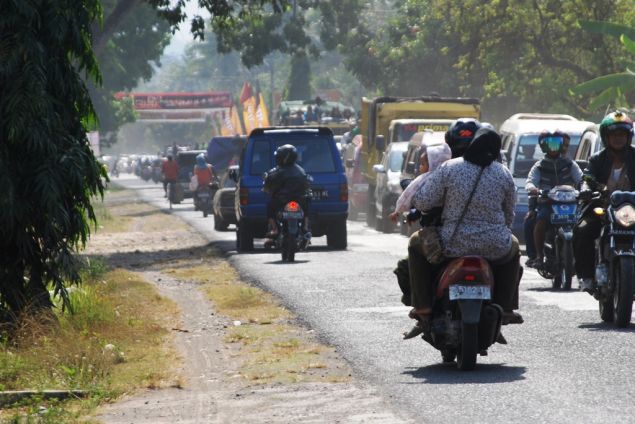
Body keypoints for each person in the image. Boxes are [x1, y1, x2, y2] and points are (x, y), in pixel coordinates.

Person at [405, 127, 523, 338]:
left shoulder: (449, 168)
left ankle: (422, 306)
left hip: (451, 244)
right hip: (495, 246)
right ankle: (506, 306)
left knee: (415, 243)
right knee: (514, 247)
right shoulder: (503, 174)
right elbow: (509, 214)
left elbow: (423, 202)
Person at [573, 111, 635, 292]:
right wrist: (585, 189)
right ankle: (586, 277)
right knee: (582, 230)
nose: (618, 139)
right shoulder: (596, 159)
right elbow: (587, 177)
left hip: (631, 209)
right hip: (601, 206)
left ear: (628, 136)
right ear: (606, 137)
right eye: (614, 135)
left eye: (622, 135)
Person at [390, 142, 452, 306]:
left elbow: (420, 201)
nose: (420, 167)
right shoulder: (457, 176)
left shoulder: (433, 180)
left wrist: (408, 208)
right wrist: (414, 212)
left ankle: (420, 305)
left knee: (404, 266)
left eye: (424, 163)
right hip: (460, 240)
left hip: (440, 239)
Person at [524, 132, 582, 269]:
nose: (554, 148)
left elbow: (581, 178)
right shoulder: (539, 166)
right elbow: (530, 182)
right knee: (540, 220)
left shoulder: (570, 164)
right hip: (548, 204)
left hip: (571, 204)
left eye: (556, 144)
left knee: (583, 225)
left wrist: (585, 186)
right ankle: (538, 256)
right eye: (551, 145)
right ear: (544, 146)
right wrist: (533, 189)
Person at [263, 144, 311, 238]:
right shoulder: (301, 170)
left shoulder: (276, 171)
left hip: (281, 201)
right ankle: (305, 227)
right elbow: (307, 184)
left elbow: (268, 183)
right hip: (299, 200)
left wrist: (267, 188)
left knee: (270, 207)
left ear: (284, 158)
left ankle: (275, 229)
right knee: (306, 207)